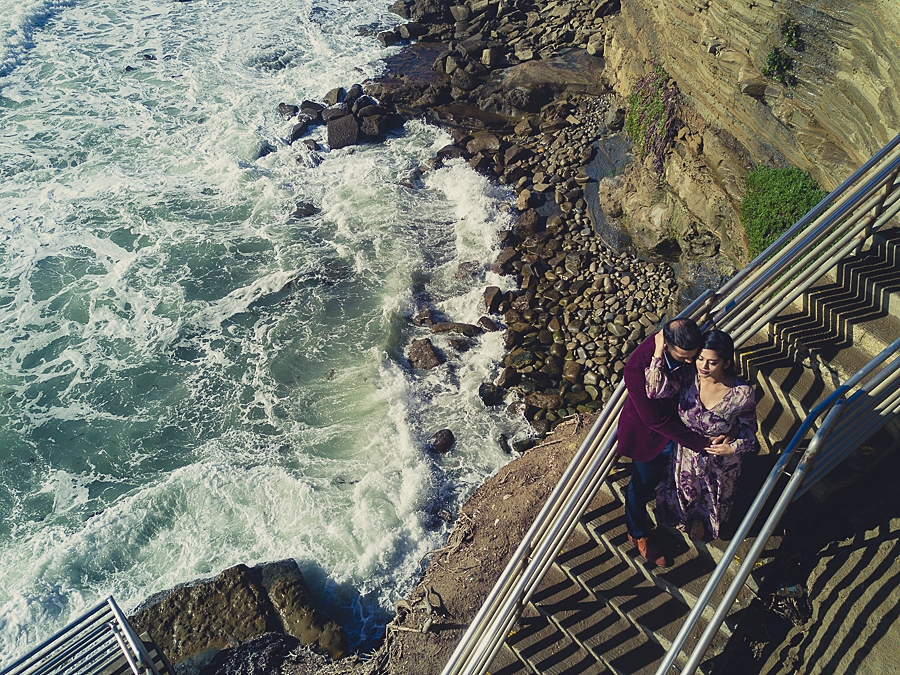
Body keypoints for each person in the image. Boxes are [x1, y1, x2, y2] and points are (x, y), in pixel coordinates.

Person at [617, 318, 722, 567]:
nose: (691, 363)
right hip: (652, 437)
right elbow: (655, 419)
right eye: (684, 358)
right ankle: (637, 533)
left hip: (684, 427)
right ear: (665, 346)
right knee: (640, 485)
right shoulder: (637, 367)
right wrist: (699, 442)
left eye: (693, 357)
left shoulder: (685, 347)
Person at [646, 328, 758, 541]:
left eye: (712, 362)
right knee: (686, 494)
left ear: (725, 363)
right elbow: (654, 390)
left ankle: (704, 523)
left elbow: (750, 431)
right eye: (700, 359)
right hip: (687, 454)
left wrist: (732, 447)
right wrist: (658, 352)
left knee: (711, 499)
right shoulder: (687, 377)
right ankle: (687, 520)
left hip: (721, 462)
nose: (703, 366)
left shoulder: (742, 394)